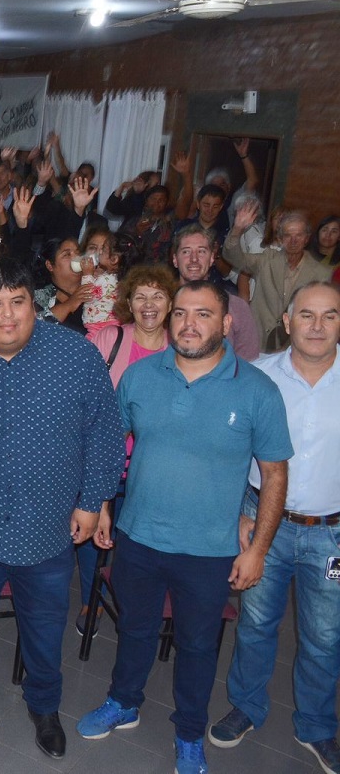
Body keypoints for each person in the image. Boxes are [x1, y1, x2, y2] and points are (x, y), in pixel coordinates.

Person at [77, 280, 292, 774]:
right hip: (138, 537)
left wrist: (258, 548)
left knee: (197, 645)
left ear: (226, 323)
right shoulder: (141, 376)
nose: (189, 324)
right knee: (134, 627)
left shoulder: (257, 389)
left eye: (202, 313)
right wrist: (104, 505)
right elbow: (113, 443)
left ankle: (190, 733)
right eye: (180, 313)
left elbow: (275, 473)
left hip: (210, 549)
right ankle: (123, 701)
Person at [0, 258, 125, 760]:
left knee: (44, 624)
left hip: (48, 526)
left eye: (18, 302)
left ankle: (44, 705)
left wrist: (92, 501)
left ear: (34, 306)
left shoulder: (77, 355)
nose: (8, 316)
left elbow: (106, 433)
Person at [208, 282, 340, 774]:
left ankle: (318, 727)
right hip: (265, 522)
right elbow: (232, 449)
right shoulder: (258, 375)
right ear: (287, 321)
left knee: (325, 636)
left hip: (332, 533)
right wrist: (239, 511)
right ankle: (246, 706)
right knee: (257, 622)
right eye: (307, 315)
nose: (317, 326)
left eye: (329, 316)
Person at [78, 264, 177, 635]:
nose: (149, 305)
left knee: (136, 538)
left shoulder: (180, 349)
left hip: (153, 467)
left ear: (170, 304)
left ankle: (132, 603)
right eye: (140, 297)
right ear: (129, 304)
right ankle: (91, 598)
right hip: (104, 458)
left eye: (157, 296)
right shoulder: (110, 339)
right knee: (92, 530)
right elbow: (81, 387)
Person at [223, 206, 333, 352]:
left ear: (307, 238)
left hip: (294, 346)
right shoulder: (266, 260)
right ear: (280, 238)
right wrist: (237, 229)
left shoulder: (321, 273)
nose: (293, 241)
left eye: (298, 235)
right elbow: (233, 257)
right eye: (288, 235)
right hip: (258, 338)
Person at [170, 225, 261, 361]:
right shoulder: (161, 305)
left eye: (201, 251)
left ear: (212, 258)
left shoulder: (236, 306)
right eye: (186, 252)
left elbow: (249, 362)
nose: (194, 259)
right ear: (175, 260)